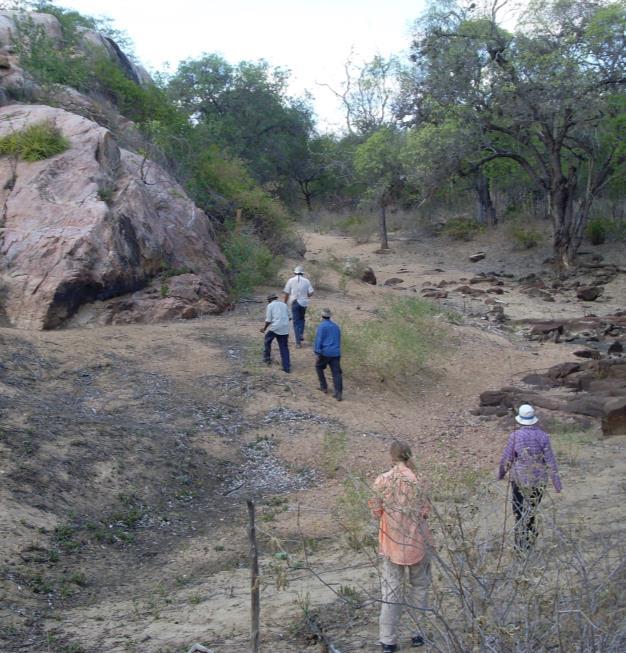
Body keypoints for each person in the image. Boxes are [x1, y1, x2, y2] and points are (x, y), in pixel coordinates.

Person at [370, 440, 432, 652]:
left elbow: (376, 511)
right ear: (409, 455)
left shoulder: (382, 481)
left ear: (391, 456)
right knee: (420, 587)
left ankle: (388, 640)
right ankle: (418, 634)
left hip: (391, 543)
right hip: (418, 542)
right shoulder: (419, 480)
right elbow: (425, 511)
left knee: (391, 593)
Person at [498, 404, 562, 550]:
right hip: (539, 481)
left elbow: (507, 458)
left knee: (519, 511)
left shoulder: (515, 436)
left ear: (520, 420)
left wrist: (501, 474)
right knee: (532, 511)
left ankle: (520, 545)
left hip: (519, 481)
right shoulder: (543, 436)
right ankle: (530, 540)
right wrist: (557, 484)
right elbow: (550, 461)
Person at [313, 308, 342, 401]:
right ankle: (338, 392)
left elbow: (319, 340)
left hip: (325, 352)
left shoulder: (321, 326)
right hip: (336, 353)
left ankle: (324, 386)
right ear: (330, 316)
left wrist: (317, 352)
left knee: (318, 367)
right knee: (336, 373)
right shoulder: (336, 327)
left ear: (322, 316)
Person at [283, 265, 314, 348]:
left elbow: (286, 293)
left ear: (294, 272)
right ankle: (300, 334)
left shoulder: (290, 280)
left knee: (296, 322)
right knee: (302, 319)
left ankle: (298, 343)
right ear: (302, 273)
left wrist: (284, 303)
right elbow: (311, 292)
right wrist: (306, 295)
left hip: (294, 302)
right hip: (304, 303)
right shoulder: (307, 281)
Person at [260, 292, 290, 373]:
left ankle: (267, 359)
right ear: (276, 298)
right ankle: (287, 368)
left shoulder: (270, 305)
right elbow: (290, 317)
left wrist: (264, 328)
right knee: (284, 348)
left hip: (275, 328)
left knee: (267, 341)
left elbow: (268, 320)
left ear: (269, 300)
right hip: (285, 329)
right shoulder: (284, 305)